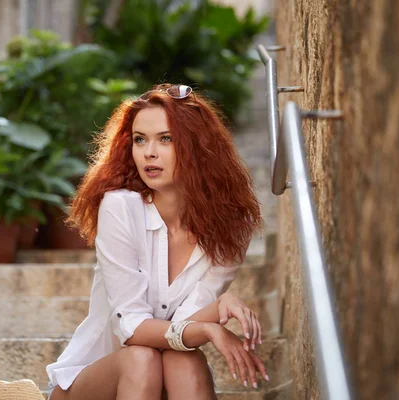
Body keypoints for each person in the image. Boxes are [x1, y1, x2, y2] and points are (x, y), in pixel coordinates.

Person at [46, 84, 268, 400]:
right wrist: (211, 324)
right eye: (140, 140)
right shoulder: (121, 207)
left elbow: (180, 326)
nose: (149, 152)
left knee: (183, 359)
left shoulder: (230, 228)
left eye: (166, 139)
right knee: (142, 357)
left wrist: (220, 306)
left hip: (164, 385)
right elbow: (133, 329)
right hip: (94, 386)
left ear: (198, 146)